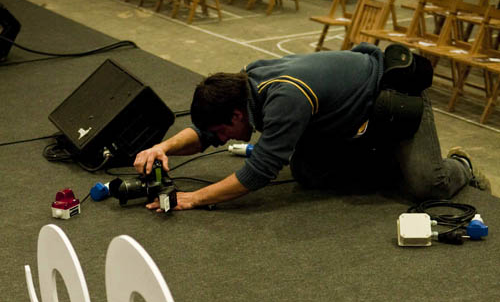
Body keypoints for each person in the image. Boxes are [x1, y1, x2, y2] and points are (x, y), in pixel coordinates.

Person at [133, 44, 489, 211]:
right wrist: (162, 148)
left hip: (394, 100)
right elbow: (206, 133)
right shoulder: (241, 88)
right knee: (308, 172)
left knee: (427, 185)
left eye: (224, 132)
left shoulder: (285, 99)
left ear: (237, 116)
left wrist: (195, 198)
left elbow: (259, 172)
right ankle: (388, 162)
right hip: (346, 115)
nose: (221, 140)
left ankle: (462, 165)